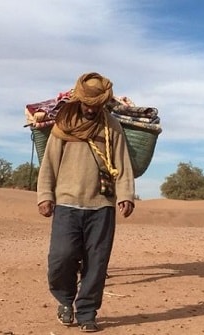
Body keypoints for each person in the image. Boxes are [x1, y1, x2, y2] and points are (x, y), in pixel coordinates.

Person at [37, 72, 135, 332]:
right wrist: (45, 195)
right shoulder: (64, 123)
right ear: (79, 100)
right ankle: (65, 300)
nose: (91, 109)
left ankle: (88, 312)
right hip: (68, 204)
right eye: (87, 104)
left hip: (101, 205)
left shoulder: (111, 125)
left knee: (97, 262)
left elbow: (122, 162)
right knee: (61, 257)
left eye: (96, 104)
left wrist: (125, 195)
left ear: (103, 103)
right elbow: (49, 163)